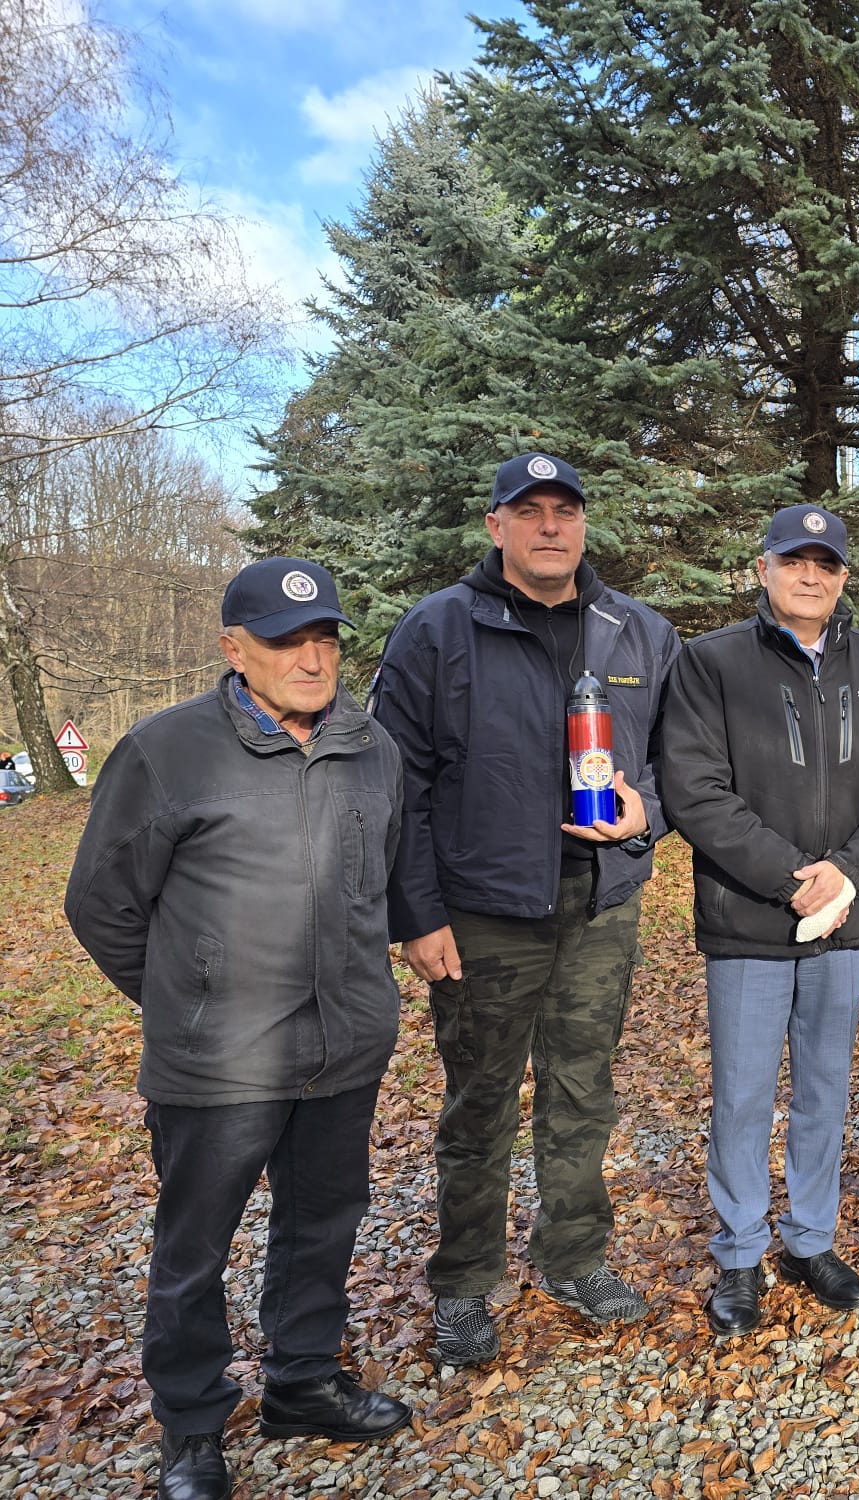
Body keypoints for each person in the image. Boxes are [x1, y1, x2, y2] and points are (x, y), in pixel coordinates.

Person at [65, 558, 411, 1500]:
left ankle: (302, 1383)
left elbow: (381, 876)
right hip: (218, 1060)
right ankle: (189, 1424)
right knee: (194, 1246)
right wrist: (192, 997)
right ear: (234, 649)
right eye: (285, 639)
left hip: (343, 1047)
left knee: (323, 1225)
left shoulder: (372, 749)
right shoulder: (165, 751)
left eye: (325, 638)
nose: (311, 657)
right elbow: (102, 906)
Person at [371, 452, 682, 1365]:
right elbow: (403, 789)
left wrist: (646, 816)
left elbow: (680, 763)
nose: (551, 526)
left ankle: (574, 1254)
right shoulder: (436, 631)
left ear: (584, 523)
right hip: (483, 917)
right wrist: (416, 916)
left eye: (566, 510)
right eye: (530, 510)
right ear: (495, 524)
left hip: (601, 907)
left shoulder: (637, 633)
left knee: (584, 1092)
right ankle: (466, 1281)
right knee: (480, 1104)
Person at [661, 503, 859, 1336]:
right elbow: (694, 790)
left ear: (844, 576)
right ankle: (740, 1254)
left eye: (826, 563)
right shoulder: (710, 665)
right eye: (795, 561)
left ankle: (809, 1240)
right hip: (749, 916)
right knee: (743, 1095)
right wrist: (791, 878)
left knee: (823, 1089)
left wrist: (847, 874)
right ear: (764, 569)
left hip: (846, 921)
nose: (810, 575)